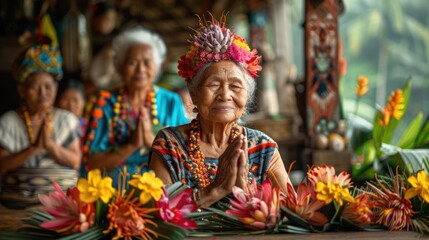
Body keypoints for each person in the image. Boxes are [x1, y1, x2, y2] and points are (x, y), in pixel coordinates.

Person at [149, 16, 290, 208]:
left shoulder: (264, 149)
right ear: (194, 93)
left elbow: (291, 212)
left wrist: (246, 195)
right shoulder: (169, 145)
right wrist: (215, 190)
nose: (225, 95)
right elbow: (159, 211)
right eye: (214, 84)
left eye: (235, 86)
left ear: (247, 96)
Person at [81, 27, 189, 186]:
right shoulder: (105, 103)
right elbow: (92, 164)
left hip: (163, 191)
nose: (140, 70)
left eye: (147, 63)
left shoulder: (171, 101)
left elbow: (187, 160)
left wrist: (151, 142)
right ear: (119, 67)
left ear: (157, 68)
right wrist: (131, 145)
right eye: (132, 62)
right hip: (111, 193)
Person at [0, 44, 81, 208]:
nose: (43, 93)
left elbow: (75, 161)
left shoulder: (67, 120)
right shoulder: (8, 121)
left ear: (56, 88)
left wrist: (50, 145)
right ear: (22, 91)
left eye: (48, 86)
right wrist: (33, 148)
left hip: (63, 208)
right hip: (15, 207)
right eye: (35, 87)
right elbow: (2, 165)